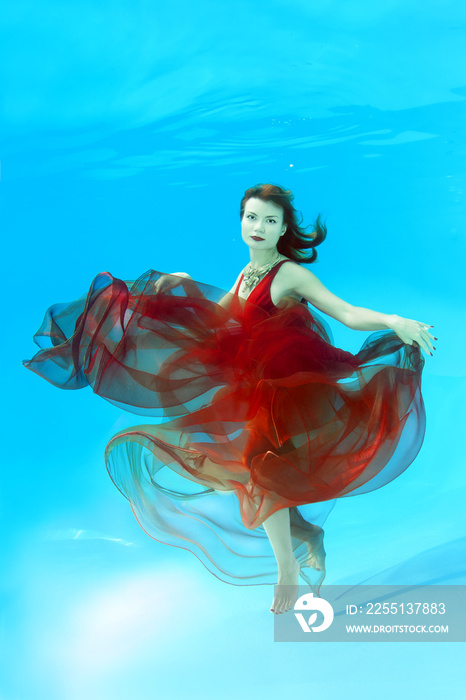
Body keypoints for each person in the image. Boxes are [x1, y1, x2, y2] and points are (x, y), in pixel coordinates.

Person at [23, 183, 435, 616]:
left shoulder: (290, 274)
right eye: (251, 217)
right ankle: (307, 537)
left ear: (282, 230)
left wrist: (394, 319)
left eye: (269, 221)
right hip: (254, 393)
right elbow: (216, 321)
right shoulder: (245, 273)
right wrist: (177, 288)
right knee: (254, 479)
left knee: (261, 475)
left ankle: (288, 568)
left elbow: (346, 313)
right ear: (241, 221)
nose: (258, 227)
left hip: (292, 392)